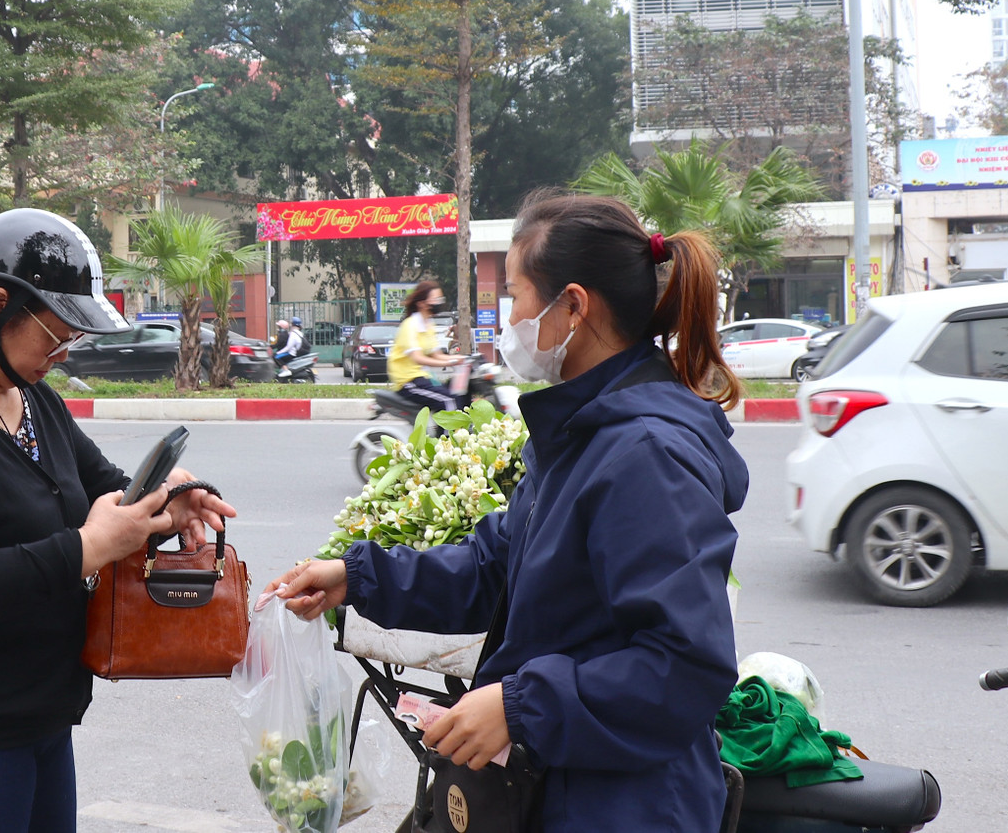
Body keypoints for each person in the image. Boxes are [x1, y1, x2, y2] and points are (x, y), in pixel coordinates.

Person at [270, 192, 748, 832]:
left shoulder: (645, 455)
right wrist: (357, 577)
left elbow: (684, 665)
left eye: (518, 295)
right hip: (555, 785)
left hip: (626, 807)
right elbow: (495, 567)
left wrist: (522, 707)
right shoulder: (581, 432)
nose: (510, 318)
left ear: (573, 306)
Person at [0, 208, 235, 833]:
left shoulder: (33, 399)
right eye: (54, 335)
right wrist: (86, 548)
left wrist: (168, 502)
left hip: (39, 716)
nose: (61, 354)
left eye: (72, 342)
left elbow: (105, 488)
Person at [386, 280, 469, 411]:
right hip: (407, 381)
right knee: (448, 402)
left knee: (457, 396)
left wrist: (462, 359)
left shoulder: (428, 324)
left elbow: (437, 355)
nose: (439, 303)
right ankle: (449, 432)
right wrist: (450, 362)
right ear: (421, 303)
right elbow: (418, 358)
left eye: (441, 299)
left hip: (422, 377)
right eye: (435, 299)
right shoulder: (410, 325)